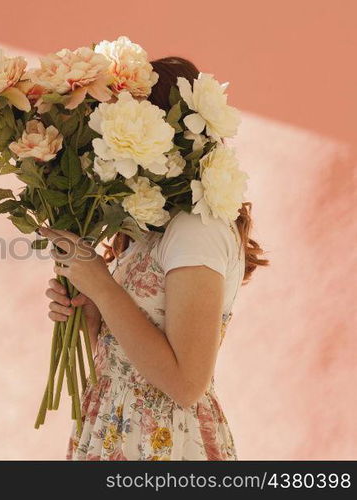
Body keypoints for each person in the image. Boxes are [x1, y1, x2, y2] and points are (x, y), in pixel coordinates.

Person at [41, 57, 269, 461]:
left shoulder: (196, 230)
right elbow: (134, 355)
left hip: (162, 443)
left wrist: (102, 286)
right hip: (118, 428)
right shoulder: (155, 225)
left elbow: (185, 384)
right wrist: (91, 311)